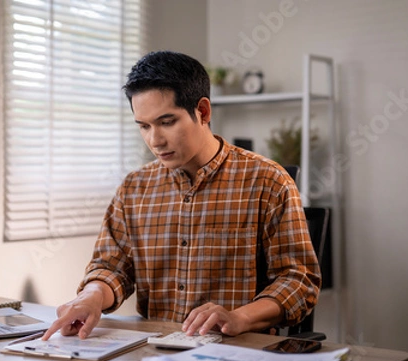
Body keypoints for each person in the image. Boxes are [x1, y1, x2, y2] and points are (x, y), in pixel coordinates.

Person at [42, 51, 320, 341]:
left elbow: (299, 281)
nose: (155, 140)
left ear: (203, 112)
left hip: (238, 352)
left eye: (167, 122)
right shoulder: (134, 188)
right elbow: (112, 267)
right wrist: (92, 296)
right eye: (144, 126)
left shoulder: (268, 181)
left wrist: (240, 317)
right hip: (154, 351)